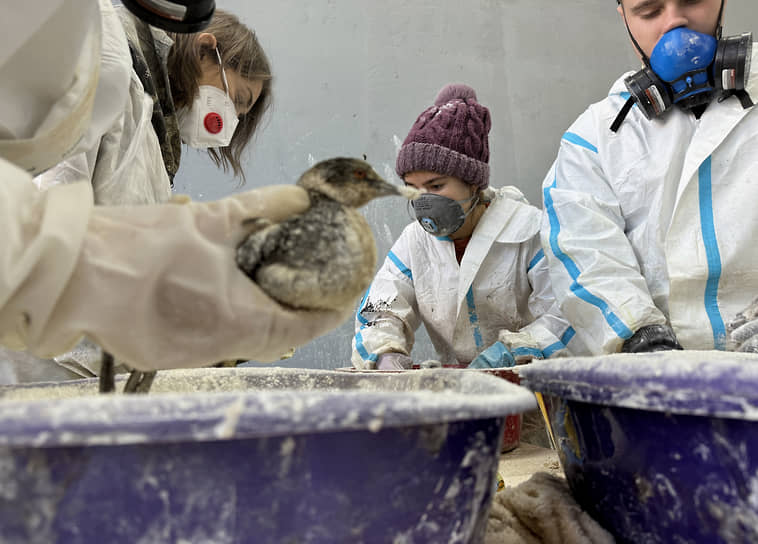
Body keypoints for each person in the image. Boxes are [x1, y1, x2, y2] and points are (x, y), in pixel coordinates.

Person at [0, 0, 350, 383]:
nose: (231, 120)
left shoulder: (150, 126)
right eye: (236, 99)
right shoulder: (113, 67)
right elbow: (54, 216)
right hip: (44, 362)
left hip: (77, 361)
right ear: (204, 49)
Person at [540, 0, 758, 355]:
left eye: (691, 0)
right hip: (659, 390)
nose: (675, 23)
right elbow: (588, 258)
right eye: (650, 11)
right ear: (624, 16)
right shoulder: (594, 141)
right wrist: (641, 339)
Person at [351, 83, 586, 371]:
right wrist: (385, 354)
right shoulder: (415, 243)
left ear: (474, 183)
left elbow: (566, 313)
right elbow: (379, 310)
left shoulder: (528, 232)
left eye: (436, 185)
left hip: (531, 392)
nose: (423, 200)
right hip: (456, 393)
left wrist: (516, 351)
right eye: (412, 188)